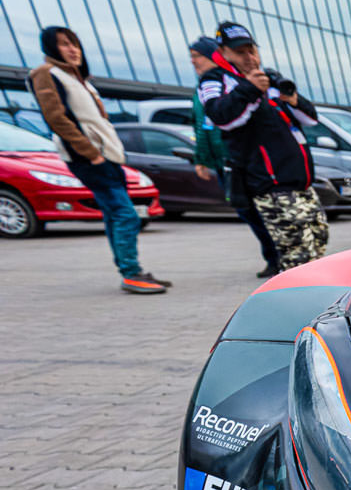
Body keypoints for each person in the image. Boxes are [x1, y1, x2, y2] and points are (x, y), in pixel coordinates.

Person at [28, 26, 166, 294]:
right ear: (51, 48)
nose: (72, 49)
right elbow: (56, 119)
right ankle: (131, 273)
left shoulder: (78, 79)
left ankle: (130, 271)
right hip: (89, 157)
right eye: (65, 44)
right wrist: (91, 154)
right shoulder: (46, 73)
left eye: (75, 44)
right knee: (126, 215)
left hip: (107, 156)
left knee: (115, 214)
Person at [199, 21, 328, 271]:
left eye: (252, 50)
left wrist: (293, 99)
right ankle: (295, 293)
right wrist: (249, 88)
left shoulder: (270, 79)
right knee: (297, 257)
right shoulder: (215, 79)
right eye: (240, 52)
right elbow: (220, 117)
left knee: (318, 242)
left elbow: (311, 119)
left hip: (301, 182)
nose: (249, 57)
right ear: (223, 52)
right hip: (271, 185)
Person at [188, 37, 279, 277]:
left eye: (197, 56)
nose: (193, 61)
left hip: (239, 159)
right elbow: (201, 127)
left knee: (259, 210)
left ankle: (277, 256)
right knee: (245, 210)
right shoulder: (205, 88)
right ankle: (273, 256)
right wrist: (202, 158)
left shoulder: (233, 83)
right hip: (223, 161)